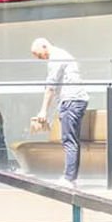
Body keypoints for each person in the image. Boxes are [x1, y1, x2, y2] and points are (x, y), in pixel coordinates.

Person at [27, 38, 90, 186]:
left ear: (44, 46)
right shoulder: (61, 55)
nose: (40, 58)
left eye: (39, 54)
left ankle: (69, 178)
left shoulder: (56, 58)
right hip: (73, 100)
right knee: (71, 140)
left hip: (72, 101)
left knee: (69, 140)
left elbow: (51, 87)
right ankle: (70, 177)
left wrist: (43, 111)